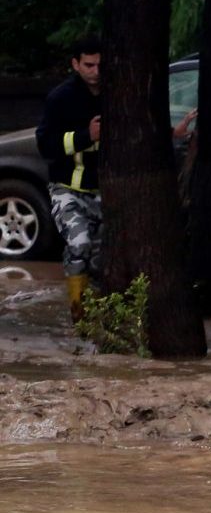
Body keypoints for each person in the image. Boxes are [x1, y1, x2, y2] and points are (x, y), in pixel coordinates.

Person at [38, 37, 104, 319]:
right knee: (79, 244)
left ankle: (101, 312)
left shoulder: (117, 93)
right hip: (67, 190)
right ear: (76, 64)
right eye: (89, 65)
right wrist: (84, 136)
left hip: (105, 191)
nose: (96, 71)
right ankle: (78, 313)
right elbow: (46, 145)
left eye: (100, 65)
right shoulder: (60, 98)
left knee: (103, 255)